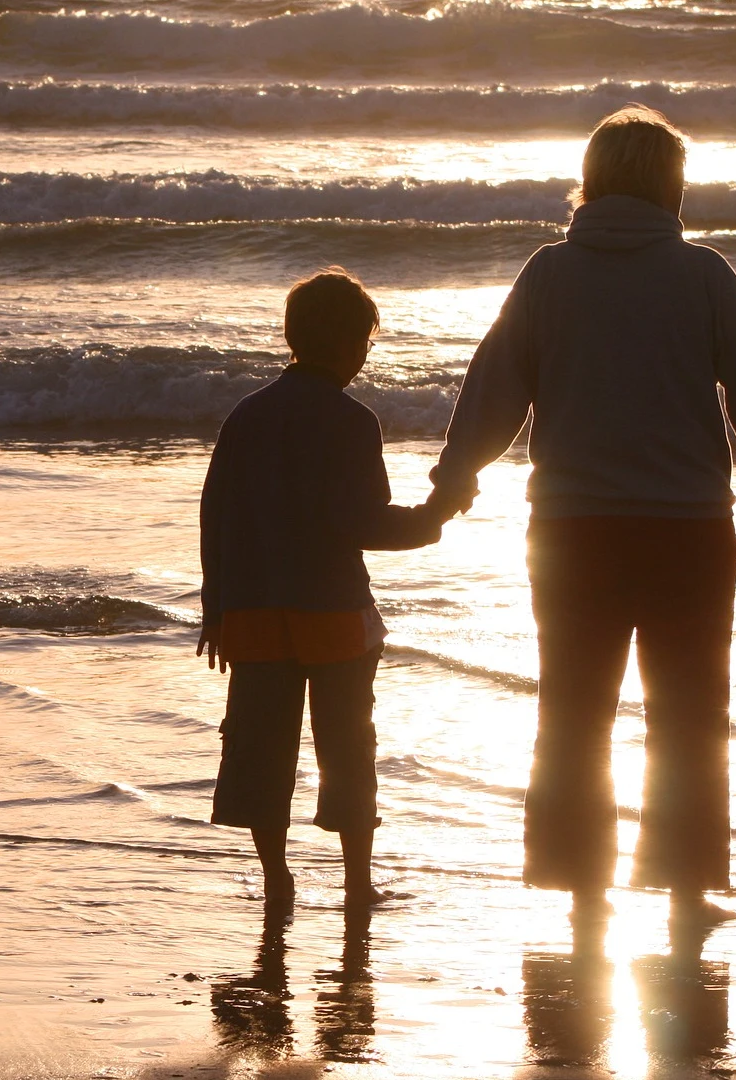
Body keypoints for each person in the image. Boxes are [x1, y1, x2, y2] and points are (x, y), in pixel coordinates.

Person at [425, 105, 736, 930]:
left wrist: (454, 477)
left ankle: (583, 889)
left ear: (595, 180)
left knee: (574, 710)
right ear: (669, 185)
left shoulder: (548, 274)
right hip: (686, 529)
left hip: (573, 531)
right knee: (689, 713)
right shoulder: (702, 276)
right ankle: (687, 890)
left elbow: (494, 388)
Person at [198, 267, 451, 907]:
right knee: (347, 746)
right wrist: (435, 518)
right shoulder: (353, 421)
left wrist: (216, 609)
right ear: (345, 344)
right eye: (365, 342)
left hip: (252, 609)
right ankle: (357, 883)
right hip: (332, 609)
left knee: (260, 747)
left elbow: (215, 514)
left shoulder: (246, 415)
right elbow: (367, 523)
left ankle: (276, 877)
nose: (366, 354)